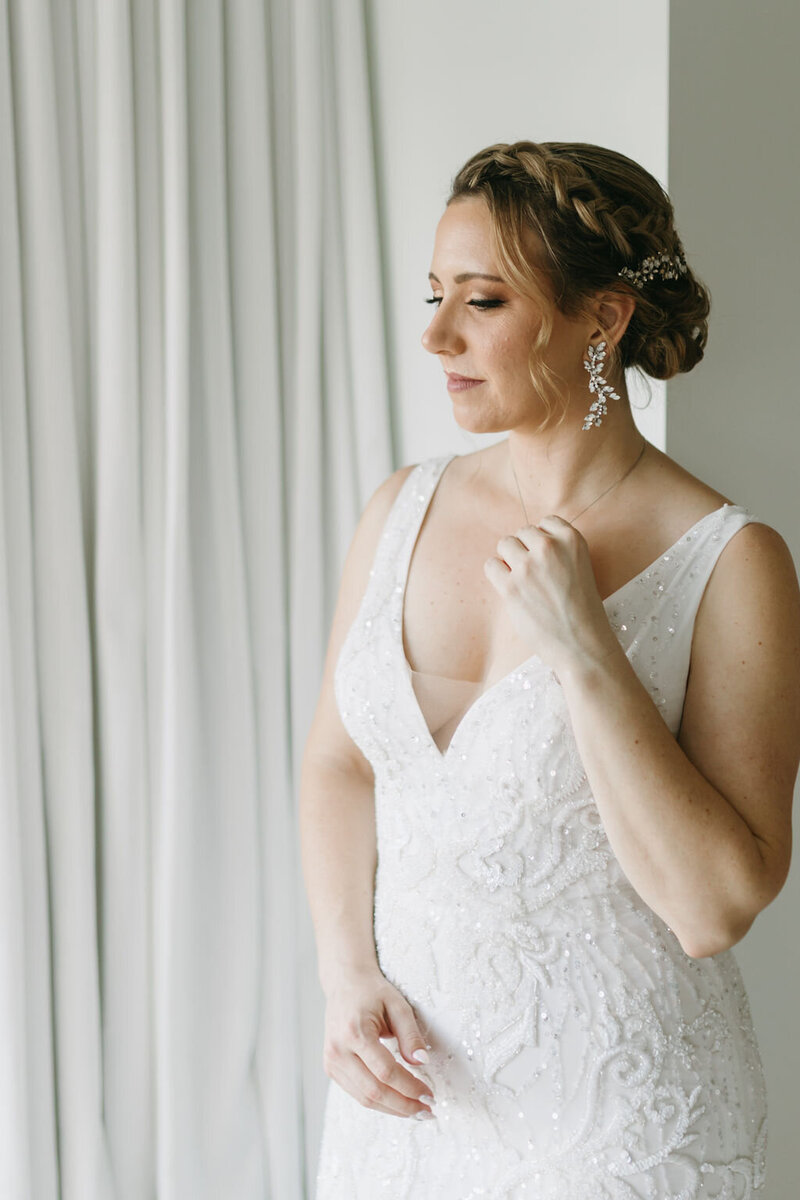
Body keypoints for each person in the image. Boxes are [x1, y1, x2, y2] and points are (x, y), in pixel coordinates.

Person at [300, 140, 800, 1199]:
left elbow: (714, 907)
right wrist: (345, 974)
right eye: (435, 295)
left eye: (481, 301)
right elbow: (341, 767)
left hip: (618, 1130)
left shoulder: (730, 563)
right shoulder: (399, 509)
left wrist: (585, 652)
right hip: (406, 1120)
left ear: (604, 317)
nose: (434, 335)